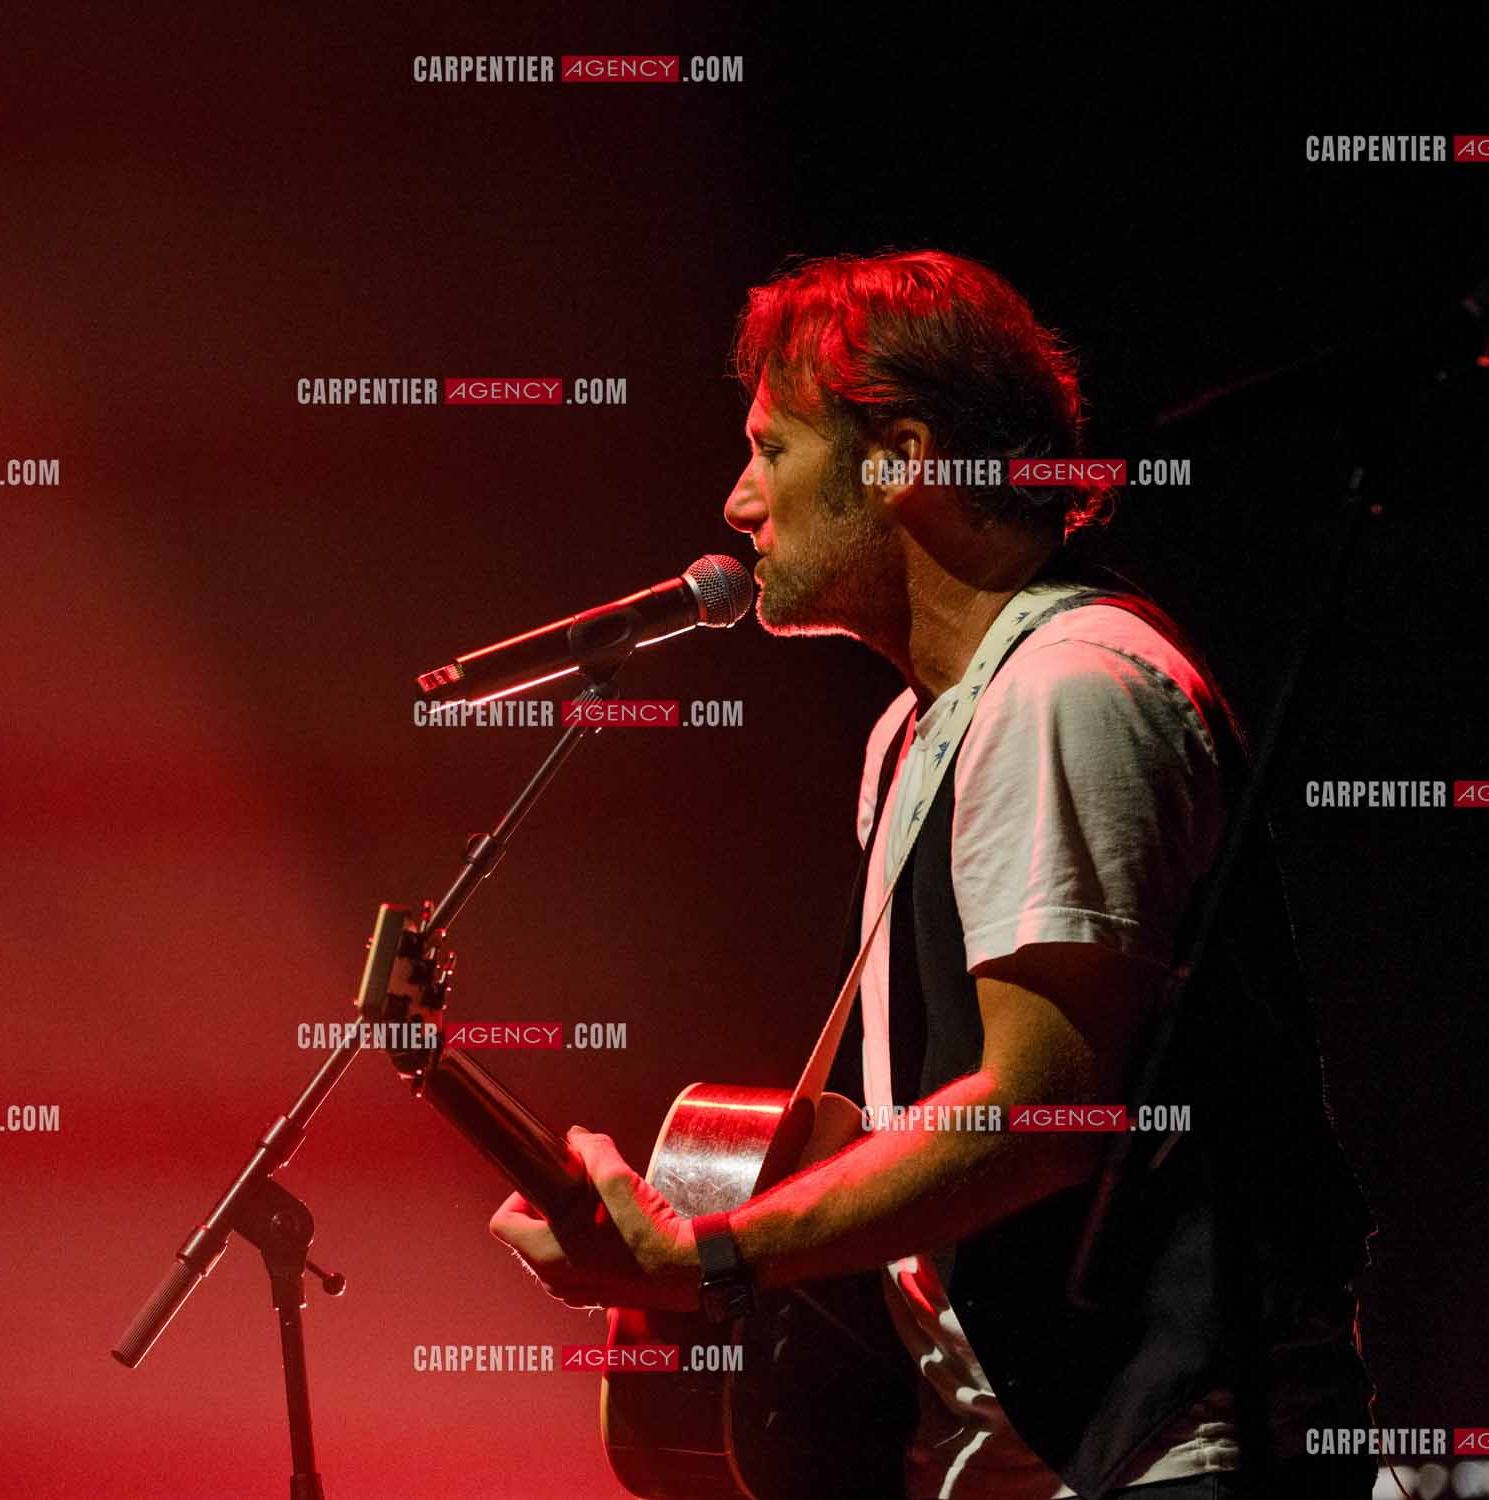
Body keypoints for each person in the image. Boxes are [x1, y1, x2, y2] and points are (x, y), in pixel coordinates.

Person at [490, 249, 1375, 1499]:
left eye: (770, 450)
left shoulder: (1068, 687)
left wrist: (718, 1254)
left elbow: (1040, 1112)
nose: (737, 504)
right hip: (1005, 1459)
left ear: (901, 459)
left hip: (1164, 1450)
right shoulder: (910, 736)